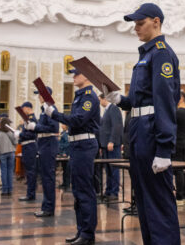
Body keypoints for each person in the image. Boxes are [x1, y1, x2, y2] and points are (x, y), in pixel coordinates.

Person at [106, 3, 180, 245]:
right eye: (135, 24)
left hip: (151, 133)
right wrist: (121, 100)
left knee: (158, 202)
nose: (136, 28)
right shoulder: (146, 55)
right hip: (138, 131)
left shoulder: (161, 53)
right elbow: (142, 99)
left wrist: (164, 149)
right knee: (144, 201)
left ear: (156, 22)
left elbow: (165, 100)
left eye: (140, 23)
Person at [44, 69, 99, 245]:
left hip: (84, 145)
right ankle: (81, 230)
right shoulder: (80, 96)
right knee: (77, 191)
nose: (73, 77)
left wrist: (54, 114)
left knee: (84, 190)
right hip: (77, 145)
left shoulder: (89, 96)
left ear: (87, 76)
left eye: (77, 74)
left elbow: (78, 120)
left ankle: (88, 234)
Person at [33, 86, 59, 217]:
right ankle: (46, 206)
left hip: (48, 143)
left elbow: (54, 127)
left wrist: (36, 127)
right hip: (44, 143)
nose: (38, 96)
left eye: (40, 94)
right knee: (45, 177)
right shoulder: (44, 109)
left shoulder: (50, 108)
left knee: (48, 177)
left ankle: (48, 208)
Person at [99, 91, 124, 202]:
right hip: (105, 144)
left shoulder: (113, 109)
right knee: (108, 169)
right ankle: (108, 191)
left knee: (114, 168)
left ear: (105, 99)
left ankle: (114, 192)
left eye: (100, 99)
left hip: (112, 145)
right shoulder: (106, 111)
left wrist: (112, 141)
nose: (99, 102)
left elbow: (117, 126)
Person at [17, 102, 39, 202]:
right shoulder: (28, 119)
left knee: (30, 171)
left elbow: (31, 135)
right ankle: (30, 193)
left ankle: (31, 194)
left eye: (23, 109)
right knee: (29, 171)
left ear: (26, 108)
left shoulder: (32, 119)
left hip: (30, 145)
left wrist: (20, 135)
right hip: (27, 145)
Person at [173, 90, 185, 201]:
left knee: (178, 170)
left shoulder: (177, 113)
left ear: (181, 98)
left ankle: (179, 194)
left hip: (178, 143)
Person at [0, 117, 17, 195]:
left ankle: (4, 190)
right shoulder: (10, 132)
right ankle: (10, 189)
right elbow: (15, 142)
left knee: (4, 172)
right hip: (11, 152)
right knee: (10, 172)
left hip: (3, 153)